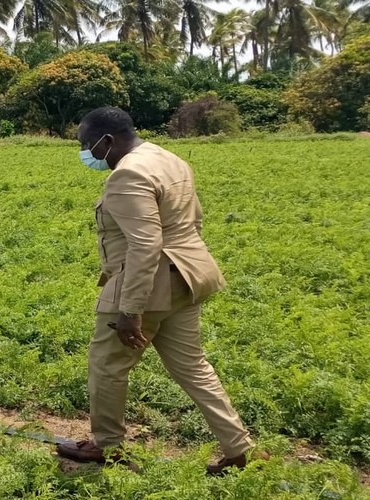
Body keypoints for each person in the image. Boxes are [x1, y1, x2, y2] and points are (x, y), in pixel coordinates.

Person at [56, 106, 255, 476]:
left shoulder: (127, 174)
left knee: (108, 365)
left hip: (147, 283)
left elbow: (145, 246)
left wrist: (131, 310)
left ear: (107, 141)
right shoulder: (169, 159)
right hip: (188, 276)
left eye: (87, 145)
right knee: (192, 366)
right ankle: (240, 448)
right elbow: (193, 219)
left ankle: (107, 446)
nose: (86, 153)